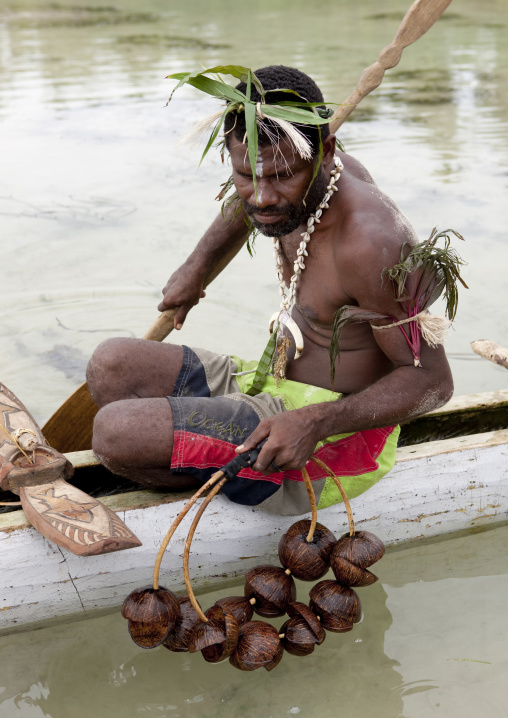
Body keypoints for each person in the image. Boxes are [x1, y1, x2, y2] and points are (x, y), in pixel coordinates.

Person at [86, 65, 458, 515]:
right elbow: (249, 201)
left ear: (326, 153)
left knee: (115, 433)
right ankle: (207, 463)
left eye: (282, 176)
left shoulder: (372, 245)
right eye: (246, 174)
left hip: (331, 439)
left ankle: (219, 484)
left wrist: (315, 422)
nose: (261, 197)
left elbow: (433, 382)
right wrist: (196, 268)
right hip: (270, 381)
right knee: (111, 365)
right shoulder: (277, 182)